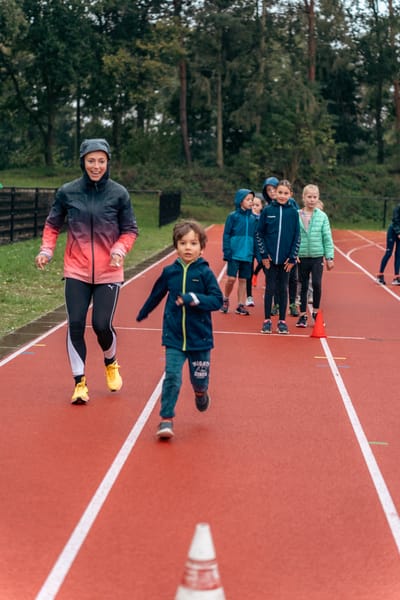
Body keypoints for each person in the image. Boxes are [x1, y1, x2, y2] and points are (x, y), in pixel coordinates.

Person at [35, 138, 138, 404]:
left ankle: (111, 361)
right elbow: (52, 224)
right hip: (76, 269)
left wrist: (119, 249)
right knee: (76, 324)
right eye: (91, 160)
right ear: (82, 161)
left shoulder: (119, 194)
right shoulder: (67, 192)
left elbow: (130, 230)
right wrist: (47, 250)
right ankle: (80, 383)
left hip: (109, 271)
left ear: (108, 162)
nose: (96, 166)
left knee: (102, 325)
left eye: (101, 161)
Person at [136, 220, 223, 439]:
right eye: (183, 243)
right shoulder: (169, 272)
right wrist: (144, 311)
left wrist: (194, 299)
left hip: (200, 338)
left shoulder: (205, 273)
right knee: (172, 376)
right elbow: (156, 294)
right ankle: (166, 419)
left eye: (193, 243)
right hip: (174, 336)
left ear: (201, 247)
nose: (188, 248)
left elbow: (217, 300)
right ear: (176, 246)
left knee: (199, 379)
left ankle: (201, 393)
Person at [256, 179, 300, 334]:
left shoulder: (293, 213)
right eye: (279, 192)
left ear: (291, 195)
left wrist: (293, 257)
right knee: (270, 288)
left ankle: (282, 321)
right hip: (270, 260)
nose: (282, 196)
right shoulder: (268, 211)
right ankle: (267, 320)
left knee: (283, 289)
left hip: (286, 260)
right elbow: (259, 234)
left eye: (285, 193)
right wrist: (264, 256)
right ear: (275, 193)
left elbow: (297, 237)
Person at [295, 184, 334, 328]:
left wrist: (329, 257)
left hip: (317, 256)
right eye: (309, 197)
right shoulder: (297, 215)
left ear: (318, 198)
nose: (312, 200)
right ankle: (302, 315)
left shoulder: (322, 216)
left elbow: (327, 237)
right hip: (302, 256)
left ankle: (316, 312)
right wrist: (294, 254)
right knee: (303, 286)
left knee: (317, 284)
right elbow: (293, 236)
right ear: (303, 198)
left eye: (314, 197)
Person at [221, 188, 257, 315]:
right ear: (240, 201)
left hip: (247, 255)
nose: (251, 202)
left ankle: (240, 304)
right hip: (234, 254)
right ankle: (225, 299)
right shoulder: (232, 217)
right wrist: (227, 251)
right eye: (248, 199)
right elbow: (226, 235)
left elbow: (256, 238)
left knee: (243, 280)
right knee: (231, 278)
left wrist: (256, 254)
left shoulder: (254, 219)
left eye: (252, 200)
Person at [245, 193, 264, 306]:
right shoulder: (248, 218)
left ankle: (272, 297)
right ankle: (249, 296)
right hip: (250, 247)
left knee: (266, 267)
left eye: (257, 205)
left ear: (261, 206)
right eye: (253, 205)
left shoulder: (264, 218)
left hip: (261, 248)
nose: (255, 207)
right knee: (248, 272)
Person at [376, 203, 400, 285]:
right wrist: (398, 232)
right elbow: (395, 220)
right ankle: (380, 275)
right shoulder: (397, 208)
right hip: (393, 232)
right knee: (388, 253)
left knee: (398, 255)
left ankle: (397, 277)